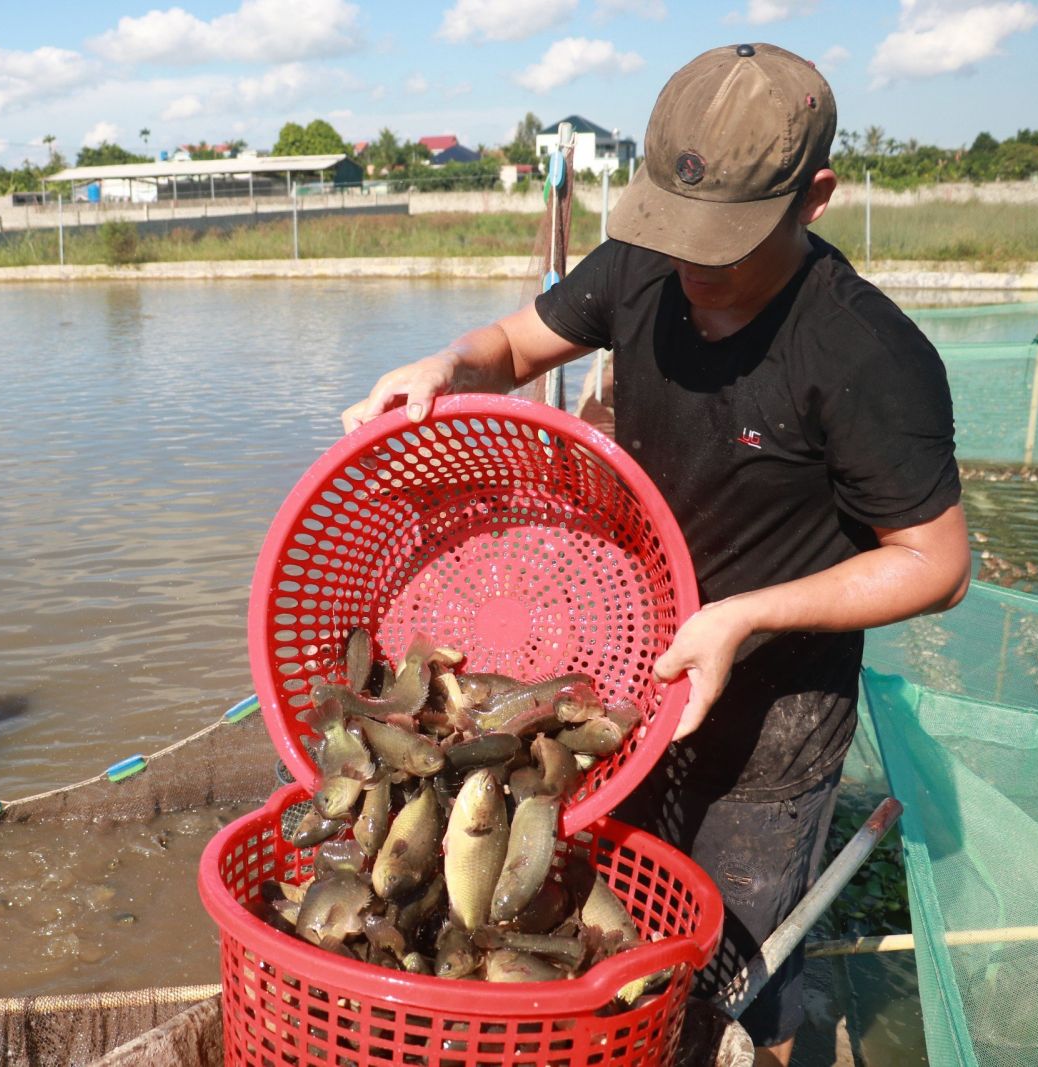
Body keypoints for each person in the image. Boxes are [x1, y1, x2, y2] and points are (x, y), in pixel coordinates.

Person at [343, 43, 970, 1066]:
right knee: (592, 929)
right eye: (672, 231)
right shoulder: (640, 261)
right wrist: (446, 364)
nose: (687, 262)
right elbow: (515, 345)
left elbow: (935, 561)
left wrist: (740, 615)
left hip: (768, 715)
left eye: (721, 242)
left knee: (728, 960)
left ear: (814, 197)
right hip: (630, 670)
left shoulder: (867, 354)